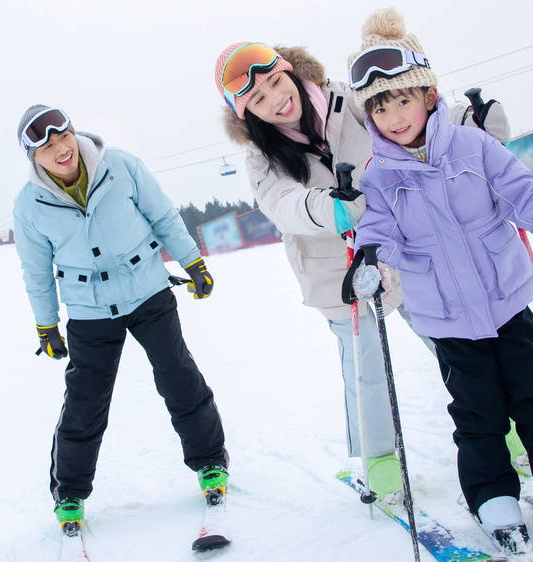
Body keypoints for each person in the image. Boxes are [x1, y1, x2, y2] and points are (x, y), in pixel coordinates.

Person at [347, 8, 533, 547]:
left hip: (507, 299)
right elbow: (379, 230)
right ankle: (492, 495)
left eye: (403, 99)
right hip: (447, 318)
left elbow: (519, 188)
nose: (394, 116)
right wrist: (371, 257)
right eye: (380, 108)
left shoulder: (474, 147)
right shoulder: (378, 178)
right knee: (478, 412)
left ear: (428, 96)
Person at [213, 39, 510, 500]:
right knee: (367, 366)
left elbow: (405, 120)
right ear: (243, 112)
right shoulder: (261, 156)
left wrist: (467, 124)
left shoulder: (346, 99)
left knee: (457, 347)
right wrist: (326, 206)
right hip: (339, 271)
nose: (276, 100)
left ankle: (505, 429)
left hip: (405, 247)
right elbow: (281, 204)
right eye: (257, 99)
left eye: (276, 82)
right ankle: (381, 460)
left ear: (289, 70)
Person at [12, 105, 229, 530]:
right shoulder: (29, 205)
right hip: (90, 312)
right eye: (47, 146)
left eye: (64, 137)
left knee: (178, 375)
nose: (61, 149)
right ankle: (70, 494)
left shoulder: (120, 166)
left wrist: (193, 262)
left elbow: (163, 216)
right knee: (85, 402)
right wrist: (46, 324)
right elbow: (35, 272)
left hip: (148, 292)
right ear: (33, 157)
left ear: (74, 133)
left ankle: (210, 464)